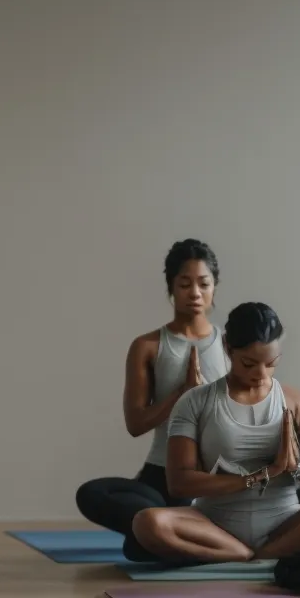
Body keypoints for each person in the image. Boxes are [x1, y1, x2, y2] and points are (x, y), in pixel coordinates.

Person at [131, 302, 300, 562]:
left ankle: (266, 552)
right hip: (214, 524)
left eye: (271, 363)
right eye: (249, 363)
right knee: (148, 523)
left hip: (286, 524)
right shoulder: (194, 402)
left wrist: (296, 467)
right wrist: (260, 476)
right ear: (227, 347)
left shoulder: (298, 402)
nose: (260, 374)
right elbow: (179, 484)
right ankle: (243, 554)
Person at [75, 239, 232, 561]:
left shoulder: (231, 346)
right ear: (171, 288)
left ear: (215, 287)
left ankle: (171, 535)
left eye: (204, 284)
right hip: (160, 477)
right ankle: (176, 530)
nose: (195, 293)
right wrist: (181, 395)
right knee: (91, 494)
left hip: (213, 476)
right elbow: (136, 423)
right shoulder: (147, 346)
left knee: (139, 546)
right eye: (185, 284)